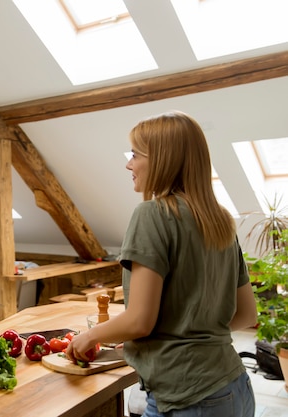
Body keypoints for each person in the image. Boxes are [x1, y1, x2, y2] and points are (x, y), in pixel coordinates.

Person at [66, 111, 258, 416]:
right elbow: (246, 313)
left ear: (162, 159)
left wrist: (89, 336)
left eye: (135, 154)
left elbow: (140, 320)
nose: (128, 163)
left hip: (187, 397)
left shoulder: (152, 214)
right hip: (235, 387)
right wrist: (161, 341)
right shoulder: (219, 219)